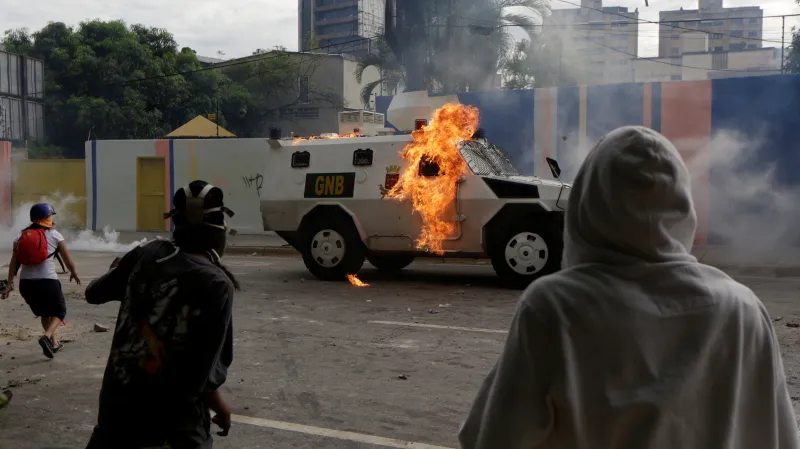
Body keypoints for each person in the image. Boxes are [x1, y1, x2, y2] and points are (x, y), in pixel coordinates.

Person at [459, 126, 800, 449]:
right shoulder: (743, 311)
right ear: (681, 205)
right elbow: (779, 437)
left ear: (587, 203)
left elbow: (493, 436)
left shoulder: (556, 307)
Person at [84, 180, 239, 449]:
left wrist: (117, 271)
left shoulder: (146, 254)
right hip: (172, 427)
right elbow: (200, 373)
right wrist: (219, 406)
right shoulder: (216, 283)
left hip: (115, 413)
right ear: (218, 230)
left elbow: (93, 293)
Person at [1, 202, 80, 358]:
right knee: (60, 311)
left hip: (26, 284)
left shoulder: (21, 236)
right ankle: (47, 336)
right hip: (48, 281)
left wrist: (9, 284)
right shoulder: (55, 235)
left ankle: (54, 343)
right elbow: (68, 260)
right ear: (47, 218)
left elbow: (14, 262)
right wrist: (73, 272)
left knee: (45, 313)